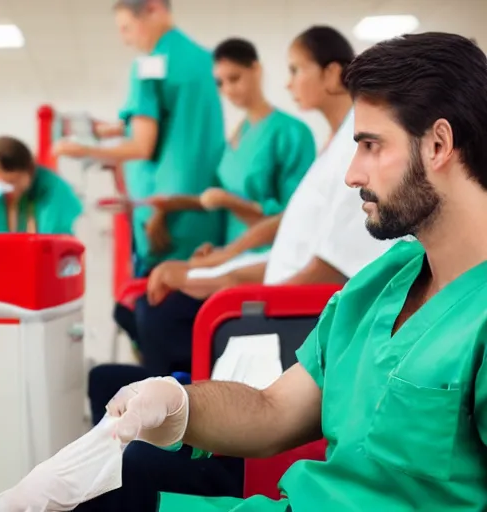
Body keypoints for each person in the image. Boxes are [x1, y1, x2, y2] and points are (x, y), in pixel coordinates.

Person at [93, 31, 487, 512]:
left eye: (371, 145)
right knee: (102, 492)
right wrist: (178, 405)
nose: (352, 174)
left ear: (439, 145)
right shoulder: (383, 281)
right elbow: (273, 410)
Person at [88, 26, 393, 401]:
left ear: (332, 73)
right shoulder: (322, 147)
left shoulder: (330, 148)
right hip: (262, 269)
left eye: (296, 70)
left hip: (285, 302)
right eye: (220, 82)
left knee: (158, 315)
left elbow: (310, 252)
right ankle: (166, 402)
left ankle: (172, 409)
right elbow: (290, 228)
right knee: (140, 306)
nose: (289, 83)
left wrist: (231, 282)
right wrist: (219, 259)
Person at [114, 36, 316, 358]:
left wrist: (230, 207)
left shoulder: (291, 133)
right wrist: (166, 210)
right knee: (131, 306)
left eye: (234, 78)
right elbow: (215, 196)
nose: (229, 91)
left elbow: (294, 220)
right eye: (220, 83)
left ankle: (179, 391)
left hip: (266, 261)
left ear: (257, 70)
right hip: (231, 254)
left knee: (156, 315)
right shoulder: (237, 134)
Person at [54, 0, 225, 276]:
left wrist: (81, 148)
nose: (126, 40)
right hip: (204, 214)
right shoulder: (207, 60)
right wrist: (115, 129)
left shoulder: (148, 66)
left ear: (154, 8)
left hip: (164, 218)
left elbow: (142, 146)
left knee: (158, 308)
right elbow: (176, 125)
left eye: (127, 28)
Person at [0, 136, 81, 234]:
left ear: (30, 172)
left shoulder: (53, 188)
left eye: (15, 181)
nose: (12, 189)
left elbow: (63, 239)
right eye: (4, 183)